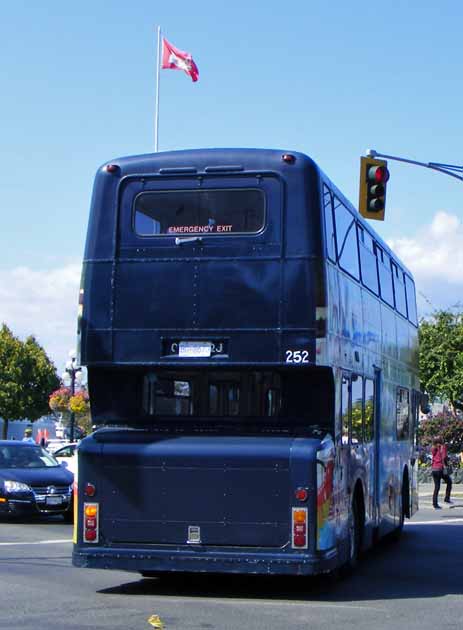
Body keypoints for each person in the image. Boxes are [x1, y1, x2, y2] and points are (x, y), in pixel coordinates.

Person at [431, 436, 452, 509]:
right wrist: (448, 463)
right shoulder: (443, 447)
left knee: (436, 487)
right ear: (441, 441)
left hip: (434, 469)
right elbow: (444, 457)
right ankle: (447, 498)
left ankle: (435, 504)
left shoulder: (433, 448)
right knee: (449, 482)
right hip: (440, 469)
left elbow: (434, 456)